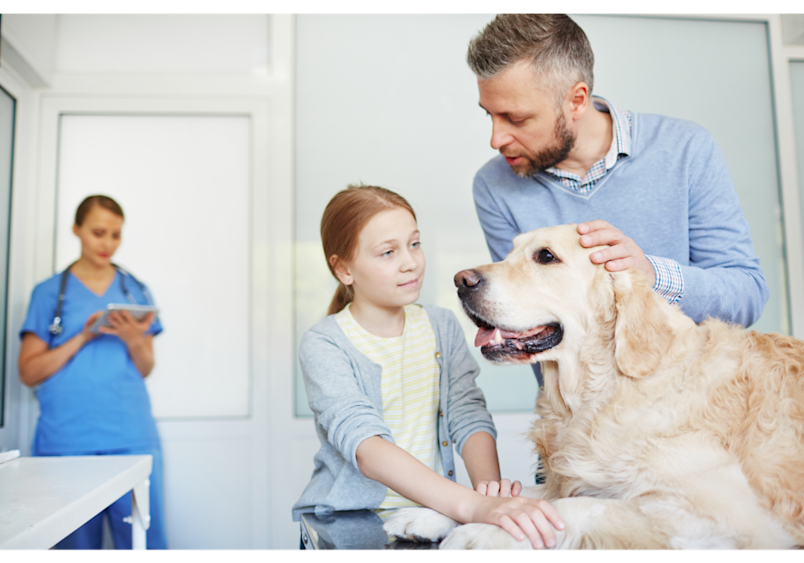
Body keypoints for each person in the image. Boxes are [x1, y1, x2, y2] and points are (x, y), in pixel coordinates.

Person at [466, 14, 768, 385]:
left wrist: (650, 275)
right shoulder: (494, 185)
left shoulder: (686, 149)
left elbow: (746, 295)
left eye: (516, 118)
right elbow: (529, 325)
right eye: (490, 115)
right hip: (583, 411)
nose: (496, 139)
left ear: (577, 101)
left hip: (695, 402)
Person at [292, 185, 565, 550]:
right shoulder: (325, 343)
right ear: (344, 269)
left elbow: (467, 413)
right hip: (349, 525)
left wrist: (490, 494)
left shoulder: (440, 325)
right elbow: (366, 446)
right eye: (388, 252)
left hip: (431, 518)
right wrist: (474, 506)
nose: (410, 262)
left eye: (415, 244)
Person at [18, 195, 167, 551]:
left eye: (116, 235)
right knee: (74, 544)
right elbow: (29, 372)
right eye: (98, 233)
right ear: (77, 229)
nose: (107, 244)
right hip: (66, 441)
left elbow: (146, 367)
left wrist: (132, 338)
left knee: (143, 542)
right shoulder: (48, 294)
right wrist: (83, 336)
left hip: (130, 436)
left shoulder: (136, 291)